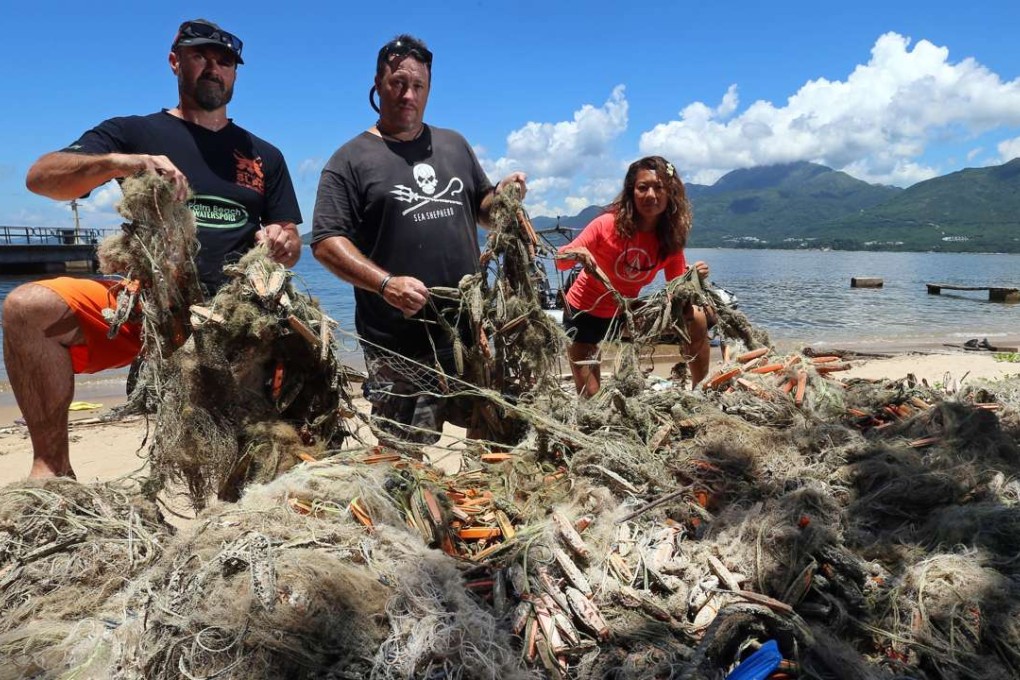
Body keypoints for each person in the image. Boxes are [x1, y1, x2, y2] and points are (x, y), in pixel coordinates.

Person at [3, 19, 302, 479]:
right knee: (27, 308)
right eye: (201, 56)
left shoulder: (265, 154)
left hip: (233, 317)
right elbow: (41, 178)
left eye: (225, 62)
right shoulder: (132, 132)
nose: (213, 69)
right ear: (174, 61)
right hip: (147, 306)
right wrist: (120, 162)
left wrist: (283, 240)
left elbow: (289, 238)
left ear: (235, 75)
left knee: (251, 464)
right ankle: (51, 469)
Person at [311, 34, 526, 446]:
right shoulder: (349, 160)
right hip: (398, 346)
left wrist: (504, 196)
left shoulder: (454, 144)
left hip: (467, 333)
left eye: (418, 86)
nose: (408, 95)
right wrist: (385, 284)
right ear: (378, 85)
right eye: (398, 84)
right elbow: (325, 241)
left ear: (429, 89)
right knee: (403, 455)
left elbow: (482, 209)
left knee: (494, 439)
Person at [556, 156, 711, 397]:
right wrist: (576, 253)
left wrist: (692, 277)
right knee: (592, 400)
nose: (651, 195)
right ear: (631, 192)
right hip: (584, 316)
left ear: (670, 193)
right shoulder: (606, 225)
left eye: (659, 187)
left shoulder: (670, 238)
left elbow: (676, 289)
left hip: (624, 313)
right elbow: (561, 262)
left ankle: (702, 392)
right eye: (643, 187)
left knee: (698, 317)